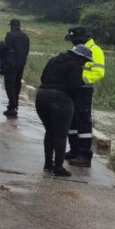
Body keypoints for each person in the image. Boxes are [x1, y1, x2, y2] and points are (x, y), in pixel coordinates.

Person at [35, 44, 94, 176]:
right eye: (85, 61)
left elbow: (43, 78)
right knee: (60, 135)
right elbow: (74, 87)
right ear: (80, 57)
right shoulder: (75, 66)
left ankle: (48, 164)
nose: (85, 64)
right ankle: (58, 167)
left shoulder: (53, 60)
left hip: (41, 97)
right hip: (60, 100)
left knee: (49, 131)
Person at [64, 26, 106, 166]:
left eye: (74, 40)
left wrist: (80, 79)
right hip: (72, 90)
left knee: (83, 121)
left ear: (83, 38)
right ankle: (74, 150)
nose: (72, 43)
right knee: (72, 121)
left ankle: (84, 155)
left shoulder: (96, 50)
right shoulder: (76, 49)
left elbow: (99, 72)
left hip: (84, 90)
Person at [3, 19, 30, 117]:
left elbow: (6, 48)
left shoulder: (10, 35)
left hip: (11, 64)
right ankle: (14, 106)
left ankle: (12, 107)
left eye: (10, 26)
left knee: (9, 85)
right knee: (17, 84)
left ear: (13, 26)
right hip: (21, 64)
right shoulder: (26, 36)